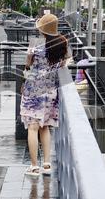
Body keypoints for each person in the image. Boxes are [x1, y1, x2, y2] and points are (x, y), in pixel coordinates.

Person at [19, 14, 69, 177]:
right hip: (50, 91)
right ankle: (47, 164)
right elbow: (66, 61)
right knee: (45, 126)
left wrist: (25, 75)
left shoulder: (35, 44)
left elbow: (28, 63)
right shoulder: (62, 43)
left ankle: (34, 166)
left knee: (32, 128)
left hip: (33, 89)